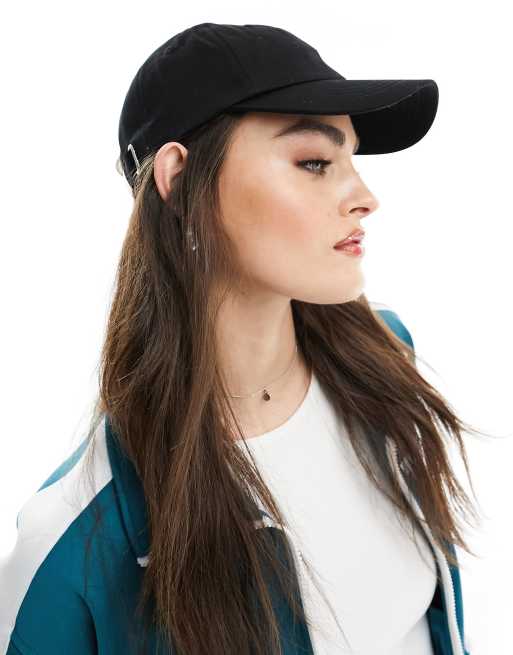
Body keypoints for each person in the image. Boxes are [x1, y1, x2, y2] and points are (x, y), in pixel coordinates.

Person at [0, 22, 483, 655]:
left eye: (352, 160)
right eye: (315, 163)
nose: (365, 198)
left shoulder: (386, 358)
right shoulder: (77, 536)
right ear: (179, 178)